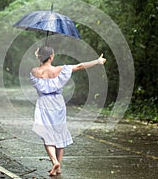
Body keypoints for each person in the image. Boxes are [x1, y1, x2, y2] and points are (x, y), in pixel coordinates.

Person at [29, 45, 106, 176]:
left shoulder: (34, 71)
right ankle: (58, 166)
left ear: (40, 57)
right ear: (51, 56)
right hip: (58, 103)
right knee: (59, 133)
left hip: (43, 103)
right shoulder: (60, 70)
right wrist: (97, 61)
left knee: (46, 134)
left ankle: (54, 162)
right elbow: (80, 66)